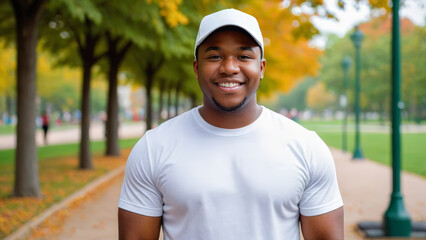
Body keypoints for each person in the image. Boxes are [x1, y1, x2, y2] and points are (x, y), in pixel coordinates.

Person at [118, 8, 343, 240]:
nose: (229, 68)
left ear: (262, 68)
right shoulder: (153, 148)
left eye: (244, 57)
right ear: (196, 68)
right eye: (215, 56)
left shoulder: (306, 147)